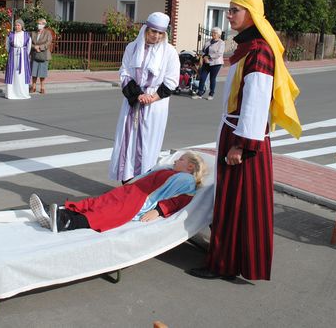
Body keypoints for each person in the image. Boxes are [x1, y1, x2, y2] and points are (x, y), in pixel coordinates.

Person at [188, 0, 302, 282]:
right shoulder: (247, 48)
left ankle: (225, 263)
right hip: (235, 132)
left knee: (238, 205)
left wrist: (242, 145)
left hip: (244, 139)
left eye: (234, 10)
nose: (229, 15)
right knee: (231, 203)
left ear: (250, 15)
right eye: (229, 9)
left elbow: (256, 101)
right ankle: (225, 259)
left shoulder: (259, 51)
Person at [30, 151, 206, 233]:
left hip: (140, 201)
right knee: (98, 203)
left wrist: (159, 211)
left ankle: (64, 222)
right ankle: (57, 213)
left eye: (180, 159)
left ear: (190, 166)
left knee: (107, 213)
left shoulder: (186, 180)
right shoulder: (171, 170)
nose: (175, 160)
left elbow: (181, 200)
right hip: (131, 192)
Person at [108, 12, 180, 183]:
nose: (156, 36)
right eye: (153, 31)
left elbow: (172, 80)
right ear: (146, 29)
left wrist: (152, 98)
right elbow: (125, 72)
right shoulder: (132, 48)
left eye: (160, 33)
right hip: (133, 103)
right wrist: (138, 95)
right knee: (127, 142)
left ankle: (142, 185)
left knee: (147, 144)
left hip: (155, 106)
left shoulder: (169, 52)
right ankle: (127, 182)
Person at [193, 27, 224, 100]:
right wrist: (204, 56)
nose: (213, 34)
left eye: (215, 33)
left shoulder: (221, 43)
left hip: (216, 63)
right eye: (212, 32)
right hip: (206, 63)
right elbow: (203, 51)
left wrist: (209, 57)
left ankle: (211, 94)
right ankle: (199, 93)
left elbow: (219, 53)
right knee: (202, 77)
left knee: (212, 78)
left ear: (219, 35)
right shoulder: (208, 41)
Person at [4, 19, 31, 99]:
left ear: (22, 26)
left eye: (18, 25)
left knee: (22, 73)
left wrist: (24, 54)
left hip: (23, 56)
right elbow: (7, 46)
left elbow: (28, 47)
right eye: (16, 25)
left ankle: (22, 93)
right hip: (13, 55)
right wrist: (12, 51)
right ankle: (11, 93)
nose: (17, 27)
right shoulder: (10, 34)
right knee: (12, 73)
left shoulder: (26, 35)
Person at [29, 18, 53, 94]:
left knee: (42, 72)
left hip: (44, 54)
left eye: (41, 24)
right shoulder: (33, 33)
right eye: (38, 23)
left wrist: (40, 47)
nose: (39, 25)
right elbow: (29, 42)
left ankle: (42, 87)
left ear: (44, 25)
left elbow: (48, 42)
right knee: (34, 72)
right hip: (35, 54)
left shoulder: (48, 33)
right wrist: (34, 47)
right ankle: (33, 87)